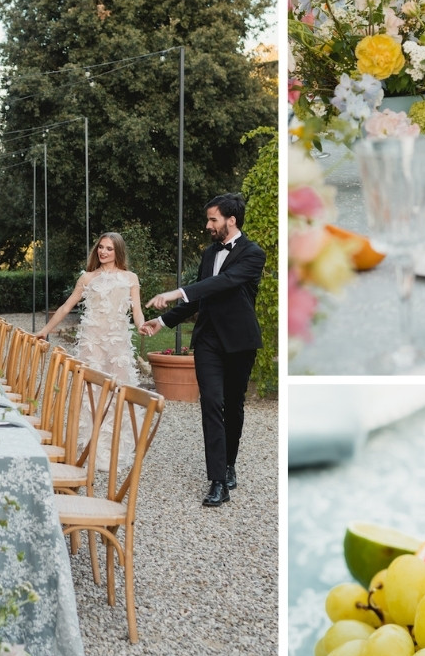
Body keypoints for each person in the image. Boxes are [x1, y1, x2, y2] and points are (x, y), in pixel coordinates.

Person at [142, 193, 264, 507]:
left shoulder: (253, 254)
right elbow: (198, 300)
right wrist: (163, 321)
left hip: (239, 341)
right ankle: (218, 481)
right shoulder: (210, 252)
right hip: (208, 340)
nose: (208, 225)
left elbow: (225, 282)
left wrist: (177, 290)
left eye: (213, 219)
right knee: (211, 403)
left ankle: (229, 463)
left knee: (234, 406)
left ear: (231, 220)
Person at [39, 233, 145, 469]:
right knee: (91, 394)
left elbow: (136, 311)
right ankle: (91, 449)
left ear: (118, 251)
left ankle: (116, 450)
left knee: (119, 390)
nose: (103, 252)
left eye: (108, 248)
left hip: (118, 343)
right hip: (92, 343)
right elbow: (67, 306)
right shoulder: (87, 278)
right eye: (100, 247)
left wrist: (142, 325)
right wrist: (45, 330)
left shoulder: (130, 278)